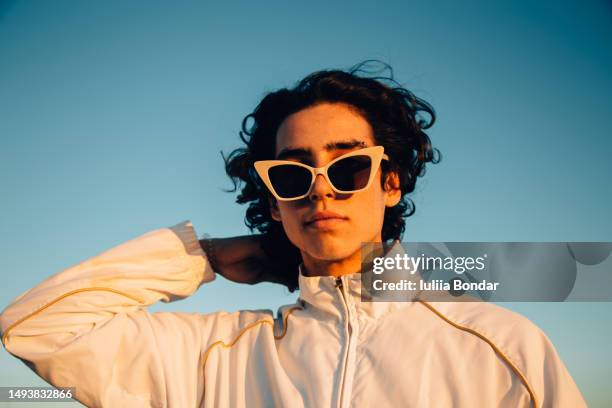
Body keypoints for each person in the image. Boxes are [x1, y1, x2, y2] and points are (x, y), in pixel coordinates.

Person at [0, 61, 586, 407]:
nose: (320, 189)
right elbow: (36, 328)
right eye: (292, 173)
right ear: (274, 202)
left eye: (348, 165)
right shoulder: (215, 358)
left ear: (391, 183)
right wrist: (202, 256)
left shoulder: (499, 346)